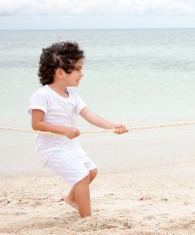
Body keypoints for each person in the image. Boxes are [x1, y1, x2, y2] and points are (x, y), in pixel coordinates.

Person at [28, 41, 128, 218]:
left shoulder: (72, 95)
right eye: (77, 69)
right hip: (51, 148)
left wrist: (112, 126)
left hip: (70, 146)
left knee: (91, 172)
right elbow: (36, 124)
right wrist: (64, 130)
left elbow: (90, 115)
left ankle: (72, 199)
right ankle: (87, 219)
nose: (82, 74)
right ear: (60, 72)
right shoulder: (42, 95)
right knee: (81, 176)